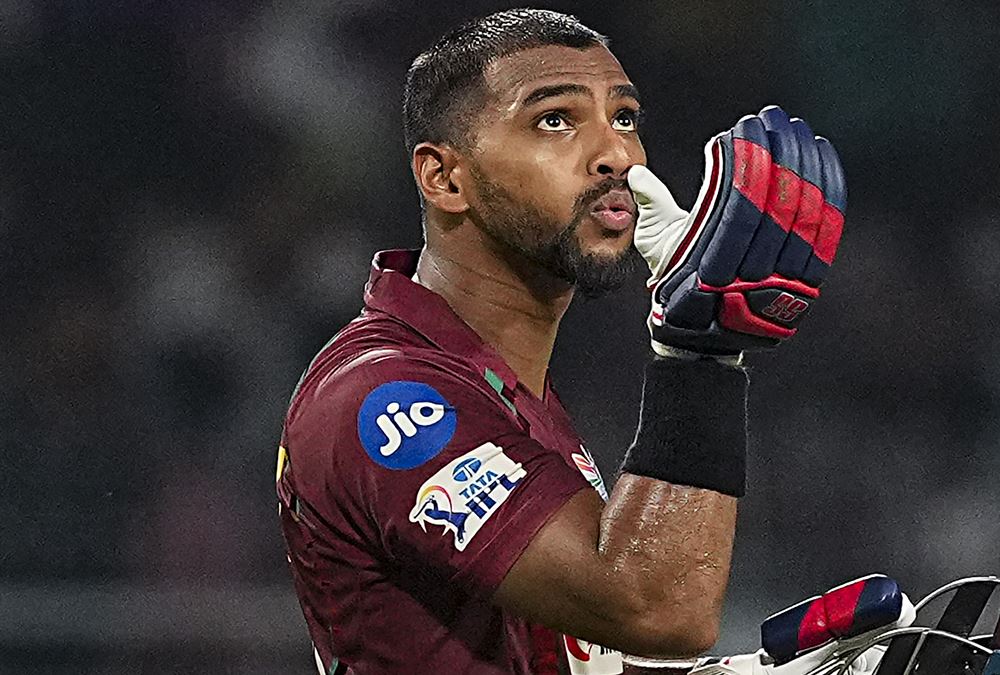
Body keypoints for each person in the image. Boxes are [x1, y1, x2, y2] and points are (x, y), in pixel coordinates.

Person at [274, 8, 852, 674]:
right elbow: (655, 608)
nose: (617, 155)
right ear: (445, 178)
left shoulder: (505, 389)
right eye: (555, 120)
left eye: (624, 118)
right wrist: (701, 351)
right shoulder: (384, 397)